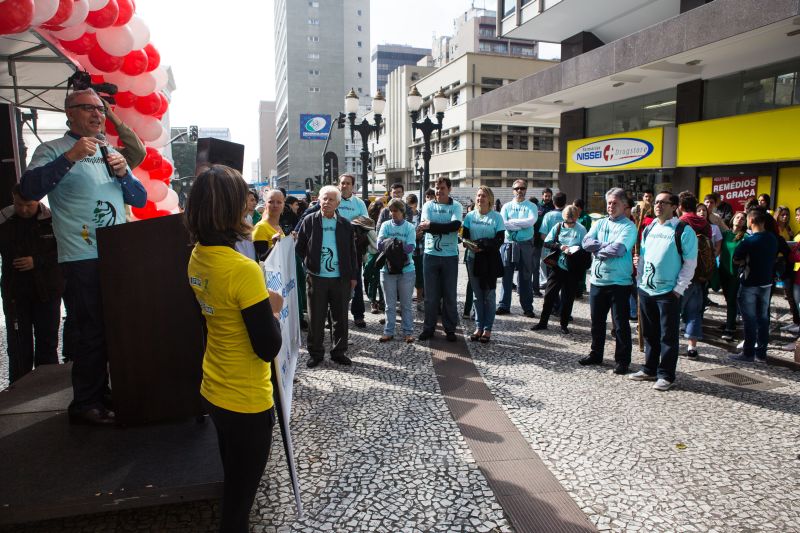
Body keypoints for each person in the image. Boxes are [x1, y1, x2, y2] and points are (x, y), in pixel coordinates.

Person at [21, 88, 146, 425]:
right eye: (87, 108)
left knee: (115, 328)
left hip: (119, 255)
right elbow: (28, 190)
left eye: (99, 109)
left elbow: (140, 198)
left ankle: (102, 389)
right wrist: (70, 157)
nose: (96, 114)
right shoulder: (52, 149)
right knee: (90, 330)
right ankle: (85, 402)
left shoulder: (108, 150)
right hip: (81, 256)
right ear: (69, 113)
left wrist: (123, 173)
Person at [184, 165, 283, 533]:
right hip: (247, 401)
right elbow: (268, 347)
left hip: (214, 388)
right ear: (230, 210)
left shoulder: (197, 255)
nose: (249, 207)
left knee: (234, 484)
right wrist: (273, 310)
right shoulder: (243, 270)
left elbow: (213, 315)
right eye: (243, 201)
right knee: (238, 508)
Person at [629, 191, 697, 391]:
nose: (658, 205)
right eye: (656, 202)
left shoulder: (683, 230)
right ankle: (649, 368)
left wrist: (678, 289)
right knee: (649, 333)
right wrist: (639, 278)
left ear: (674, 206)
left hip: (668, 292)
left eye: (663, 202)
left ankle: (666, 374)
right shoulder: (649, 228)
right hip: (646, 289)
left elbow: (690, 263)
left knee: (668, 335)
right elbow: (643, 254)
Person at [0, 185, 63, 383]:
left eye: (29, 205)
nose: (24, 209)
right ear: (13, 198)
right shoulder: (3, 219)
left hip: (48, 290)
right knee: (18, 347)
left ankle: (47, 392)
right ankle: (18, 391)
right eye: (19, 204)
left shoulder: (53, 219)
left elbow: (64, 250)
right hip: (15, 292)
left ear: (38, 200)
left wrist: (37, 261)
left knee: (47, 343)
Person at [295, 185, 359, 367]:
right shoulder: (309, 220)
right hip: (316, 277)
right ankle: (315, 354)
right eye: (324, 198)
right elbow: (299, 247)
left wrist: (353, 276)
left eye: (331, 199)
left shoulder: (346, 224)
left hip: (341, 278)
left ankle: (339, 352)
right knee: (316, 318)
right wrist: (309, 263)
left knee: (340, 318)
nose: (326, 202)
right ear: (319, 200)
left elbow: (352, 253)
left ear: (338, 203)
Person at [579, 188, 637, 374]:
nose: (611, 206)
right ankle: (596, 354)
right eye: (609, 203)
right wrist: (603, 247)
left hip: (619, 283)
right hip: (597, 281)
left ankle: (622, 360)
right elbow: (586, 242)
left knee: (620, 324)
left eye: (615, 203)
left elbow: (618, 250)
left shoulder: (628, 227)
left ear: (624, 205)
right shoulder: (600, 222)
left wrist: (597, 249)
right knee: (597, 322)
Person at [418, 177, 463, 342]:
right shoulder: (428, 205)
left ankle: (450, 329)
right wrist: (437, 227)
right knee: (430, 296)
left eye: (442, 188)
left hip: (450, 256)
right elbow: (424, 226)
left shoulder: (456, 206)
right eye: (437, 188)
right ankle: (428, 329)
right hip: (430, 255)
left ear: (449, 189)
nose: (439, 191)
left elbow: (455, 226)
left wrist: (433, 226)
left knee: (449, 295)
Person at [730, 209, 778, 363]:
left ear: (750, 221)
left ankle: (748, 353)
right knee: (763, 319)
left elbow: (736, 258)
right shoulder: (772, 238)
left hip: (750, 283)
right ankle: (761, 354)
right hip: (766, 283)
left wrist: (745, 262)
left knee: (749, 319)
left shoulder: (749, 241)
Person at [532, 205, 587, 334]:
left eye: (572, 221)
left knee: (568, 298)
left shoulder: (581, 229)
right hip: (557, 266)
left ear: (577, 218)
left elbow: (585, 247)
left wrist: (575, 250)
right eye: (567, 221)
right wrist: (560, 247)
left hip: (572, 267)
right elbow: (547, 242)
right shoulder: (557, 227)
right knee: (549, 294)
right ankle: (543, 322)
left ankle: (564, 324)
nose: (569, 223)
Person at [462, 186, 504, 343]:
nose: (480, 199)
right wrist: (470, 245)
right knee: (477, 295)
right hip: (473, 259)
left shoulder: (497, 217)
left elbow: (500, 240)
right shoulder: (470, 216)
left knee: (489, 294)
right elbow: (464, 238)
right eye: (478, 196)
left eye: (484, 196)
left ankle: (488, 329)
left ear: (490, 199)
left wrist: (483, 245)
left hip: (490, 260)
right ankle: (479, 327)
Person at [677, 191, 712, 359]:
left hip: (683, 273)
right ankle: (692, 347)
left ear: (680, 207)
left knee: (674, 310)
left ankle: (672, 343)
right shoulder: (705, 223)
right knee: (694, 311)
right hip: (700, 274)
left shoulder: (682, 222)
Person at [497, 180, 538, 317]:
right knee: (506, 276)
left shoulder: (531, 206)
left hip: (525, 244)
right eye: (517, 188)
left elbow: (531, 221)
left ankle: (527, 307)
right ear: (513, 190)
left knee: (525, 276)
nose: (519, 191)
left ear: (526, 190)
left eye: (522, 188)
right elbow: (503, 223)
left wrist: (513, 222)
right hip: (508, 243)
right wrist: (522, 225)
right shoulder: (507, 206)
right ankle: (503, 305)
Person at [377, 199, 416, 343]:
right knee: (389, 305)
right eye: (391, 211)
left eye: (396, 210)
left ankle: (408, 332)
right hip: (387, 270)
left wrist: (391, 243)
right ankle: (388, 331)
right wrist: (399, 244)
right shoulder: (385, 225)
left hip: (407, 270)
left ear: (403, 211)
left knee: (406, 304)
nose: (393, 213)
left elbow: (410, 247)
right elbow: (379, 245)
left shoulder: (409, 227)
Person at [718, 211, 747, 341]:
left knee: (731, 300)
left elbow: (748, 255)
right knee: (728, 299)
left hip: (735, 274)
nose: (740, 219)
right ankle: (731, 322)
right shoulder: (725, 234)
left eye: (743, 218)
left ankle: (729, 328)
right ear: (733, 219)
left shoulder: (745, 237)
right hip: (723, 271)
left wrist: (742, 262)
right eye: (738, 217)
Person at [538, 191, 567, 304]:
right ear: (565, 202)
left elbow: (543, 235)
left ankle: (555, 306)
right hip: (566, 252)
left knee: (552, 280)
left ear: (553, 202)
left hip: (551, 253)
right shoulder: (570, 214)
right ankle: (563, 308)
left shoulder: (548, 215)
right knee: (565, 281)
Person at [532, 188, 555, 296]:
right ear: (542, 196)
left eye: (549, 196)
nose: (547, 198)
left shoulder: (554, 208)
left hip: (549, 242)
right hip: (537, 240)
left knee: (548, 264)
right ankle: (536, 288)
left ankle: (549, 286)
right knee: (536, 265)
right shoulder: (537, 207)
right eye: (545, 196)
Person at [252, 189, 286, 260]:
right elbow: (260, 259)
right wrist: (274, 245)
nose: (275, 205)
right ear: (265, 205)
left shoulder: (278, 226)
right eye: (271, 202)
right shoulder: (260, 227)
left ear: (283, 205)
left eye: (279, 202)